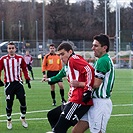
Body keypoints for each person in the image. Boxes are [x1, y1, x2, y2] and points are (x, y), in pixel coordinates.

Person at [43, 41, 95, 133]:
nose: (61, 57)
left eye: (62, 54)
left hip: (78, 101)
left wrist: (88, 90)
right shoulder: (69, 64)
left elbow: (89, 70)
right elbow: (59, 76)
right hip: (72, 100)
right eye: (59, 55)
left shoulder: (73, 59)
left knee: (59, 129)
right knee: (52, 115)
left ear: (70, 52)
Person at [72, 34, 115, 133]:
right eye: (93, 45)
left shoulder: (103, 61)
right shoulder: (100, 60)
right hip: (92, 102)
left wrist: (78, 84)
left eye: (96, 46)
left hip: (100, 103)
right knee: (76, 131)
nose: (92, 48)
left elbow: (96, 84)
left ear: (104, 48)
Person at [0, 42, 31, 130]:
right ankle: (9, 120)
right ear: (7, 49)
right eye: (9, 48)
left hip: (18, 83)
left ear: (15, 49)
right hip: (9, 84)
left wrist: (27, 79)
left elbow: (24, 68)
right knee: (9, 103)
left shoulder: (20, 58)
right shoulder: (3, 59)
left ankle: (23, 118)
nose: (11, 50)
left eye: (12, 48)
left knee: (23, 101)